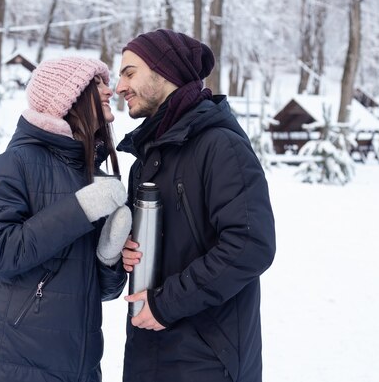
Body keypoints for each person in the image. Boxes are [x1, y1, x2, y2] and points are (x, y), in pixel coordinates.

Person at [0, 57, 132, 382]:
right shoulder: (17, 162)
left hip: (78, 368)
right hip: (9, 367)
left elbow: (98, 293)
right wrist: (80, 209)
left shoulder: (92, 176)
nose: (110, 91)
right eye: (97, 84)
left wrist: (109, 258)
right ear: (68, 97)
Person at [116, 29, 276, 382]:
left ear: (166, 72)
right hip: (150, 351)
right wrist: (129, 249)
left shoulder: (220, 145)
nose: (119, 87)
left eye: (130, 72)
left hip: (207, 357)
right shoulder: (147, 156)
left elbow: (250, 245)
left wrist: (165, 303)